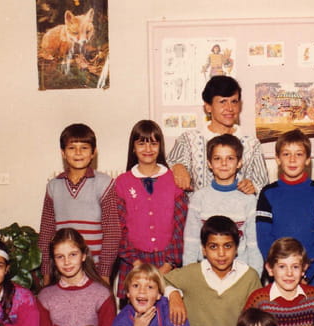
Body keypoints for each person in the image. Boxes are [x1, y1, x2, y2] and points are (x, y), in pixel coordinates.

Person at [164, 215, 261, 326]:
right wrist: (173, 294)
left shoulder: (249, 276)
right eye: (213, 247)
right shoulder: (192, 273)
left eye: (227, 246)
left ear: (237, 248)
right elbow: (158, 279)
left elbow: (257, 317)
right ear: (204, 249)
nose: (221, 254)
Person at [37, 123, 120, 284]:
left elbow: (112, 232)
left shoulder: (104, 184)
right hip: (63, 267)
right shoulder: (53, 186)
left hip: (94, 269)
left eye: (84, 148)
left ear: (93, 152)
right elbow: (46, 233)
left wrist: (104, 273)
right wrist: (46, 274)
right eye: (72, 148)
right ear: (63, 153)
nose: (78, 153)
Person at [114, 120, 188, 298]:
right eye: (141, 143)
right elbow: (118, 228)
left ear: (160, 147)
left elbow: (181, 227)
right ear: (133, 148)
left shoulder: (174, 180)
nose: (148, 149)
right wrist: (137, 264)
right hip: (133, 262)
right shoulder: (122, 182)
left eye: (153, 143)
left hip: (167, 260)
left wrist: (168, 264)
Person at [256, 129, 314, 294]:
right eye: (286, 154)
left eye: (299, 154)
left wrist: (306, 273)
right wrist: (280, 270)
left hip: (312, 276)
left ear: (308, 159)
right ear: (278, 159)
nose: (292, 159)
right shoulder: (268, 193)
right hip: (278, 275)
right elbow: (264, 238)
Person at [38, 228, 115, 326]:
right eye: (60, 257)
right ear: (53, 260)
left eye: (73, 254)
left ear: (83, 255)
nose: (67, 262)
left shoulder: (102, 294)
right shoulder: (45, 297)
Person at [167, 75, 268, 195]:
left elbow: (263, 185)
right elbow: (167, 165)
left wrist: (253, 187)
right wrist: (177, 166)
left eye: (234, 101)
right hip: (198, 206)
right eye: (223, 102)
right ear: (208, 107)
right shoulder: (189, 140)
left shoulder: (251, 143)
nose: (230, 108)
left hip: (238, 206)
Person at [183, 134, 261, 273]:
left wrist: (254, 278)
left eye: (230, 158)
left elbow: (254, 246)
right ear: (209, 163)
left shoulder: (249, 200)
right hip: (205, 273)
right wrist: (189, 277)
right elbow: (191, 243)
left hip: (239, 273)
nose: (224, 163)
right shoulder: (199, 198)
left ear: (239, 163)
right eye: (217, 158)